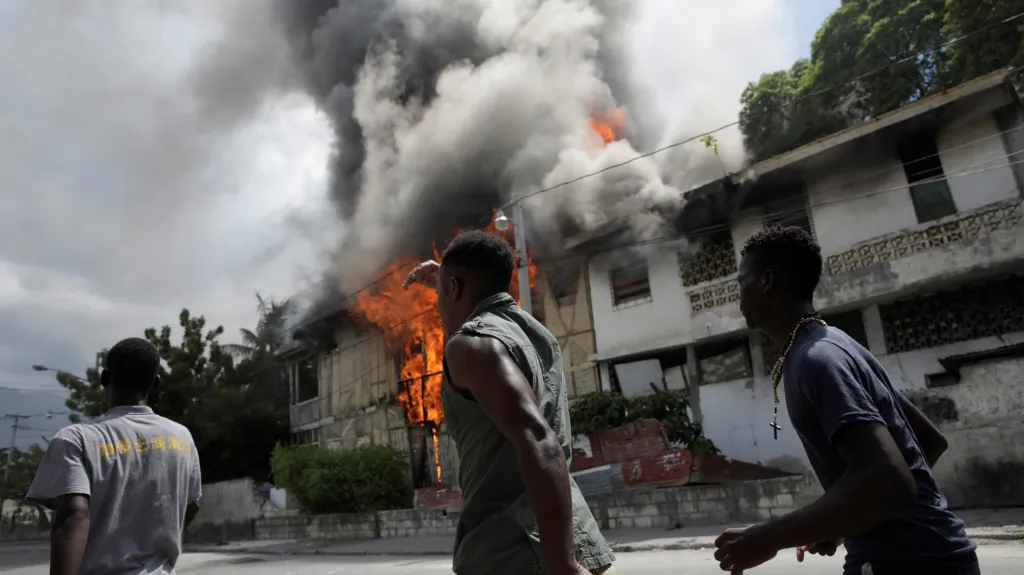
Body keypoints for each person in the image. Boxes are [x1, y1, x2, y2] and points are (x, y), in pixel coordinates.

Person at [713, 225, 978, 575]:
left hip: (905, 562)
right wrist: (842, 522)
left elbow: (890, 478)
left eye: (741, 282)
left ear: (766, 282)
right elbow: (927, 442)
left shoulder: (816, 360)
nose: (739, 295)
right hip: (938, 554)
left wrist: (767, 538)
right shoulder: (838, 344)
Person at [404, 230, 615, 575]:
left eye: (442, 293)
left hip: (516, 553)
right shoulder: (536, 333)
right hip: (577, 541)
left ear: (456, 288)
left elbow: (540, 441)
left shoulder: (471, 346)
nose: (439, 304)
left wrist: (560, 565)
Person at [27, 337, 202, 575]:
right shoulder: (182, 438)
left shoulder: (76, 439)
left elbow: (74, 513)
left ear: (105, 378)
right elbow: (191, 505)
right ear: (155, 383)